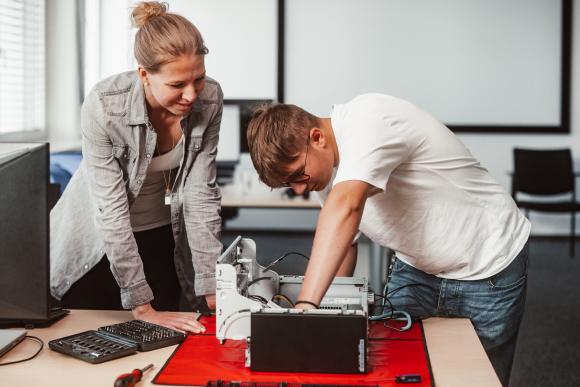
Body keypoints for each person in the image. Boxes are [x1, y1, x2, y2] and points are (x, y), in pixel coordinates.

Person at [246, 93, 530, 386]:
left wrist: (305, 308)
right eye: (290, 184)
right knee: (391, 372)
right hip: (417, 269)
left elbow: (346, 206)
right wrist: (324, 314)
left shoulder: (370, 119)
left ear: (317, 138)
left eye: (299, 176)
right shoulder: (324, 169)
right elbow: (344, 244)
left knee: (475, 379)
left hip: (489, 264)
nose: (300, 189)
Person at [50, 1, 222, 334]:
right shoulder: (104, 105)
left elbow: (201, 196)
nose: (191, 95)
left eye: (198, 78)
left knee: (162, 342)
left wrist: (212, 285)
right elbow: (111, 213)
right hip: (101, 245)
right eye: (176, 85)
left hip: (161, 238)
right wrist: (141, 306)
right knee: (95, 343)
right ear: (144, 74)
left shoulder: (210, 99)